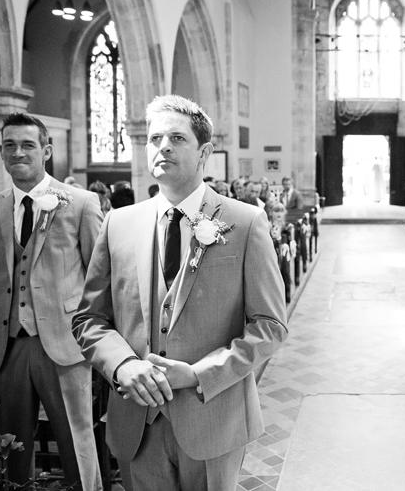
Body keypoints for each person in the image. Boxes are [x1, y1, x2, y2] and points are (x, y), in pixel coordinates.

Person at [72, 95, 288, 490]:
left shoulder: (244, 222)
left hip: (213, 417)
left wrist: (199, 374)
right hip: (138, 420)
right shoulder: (118, 223)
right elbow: (89, 320)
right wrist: (122, 365)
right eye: (155, 139)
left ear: (204, 152)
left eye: (177, 138)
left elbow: (270, 326)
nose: (163, 147)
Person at [0, 113, 103, 489]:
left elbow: (98, 279)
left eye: (28, 144)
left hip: (65, 343)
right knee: (10, 447)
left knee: (77, 441)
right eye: (9, 145)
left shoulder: (81, 203)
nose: (18, 152)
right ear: (0, 152)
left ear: (46, 151)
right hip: (7, 345)